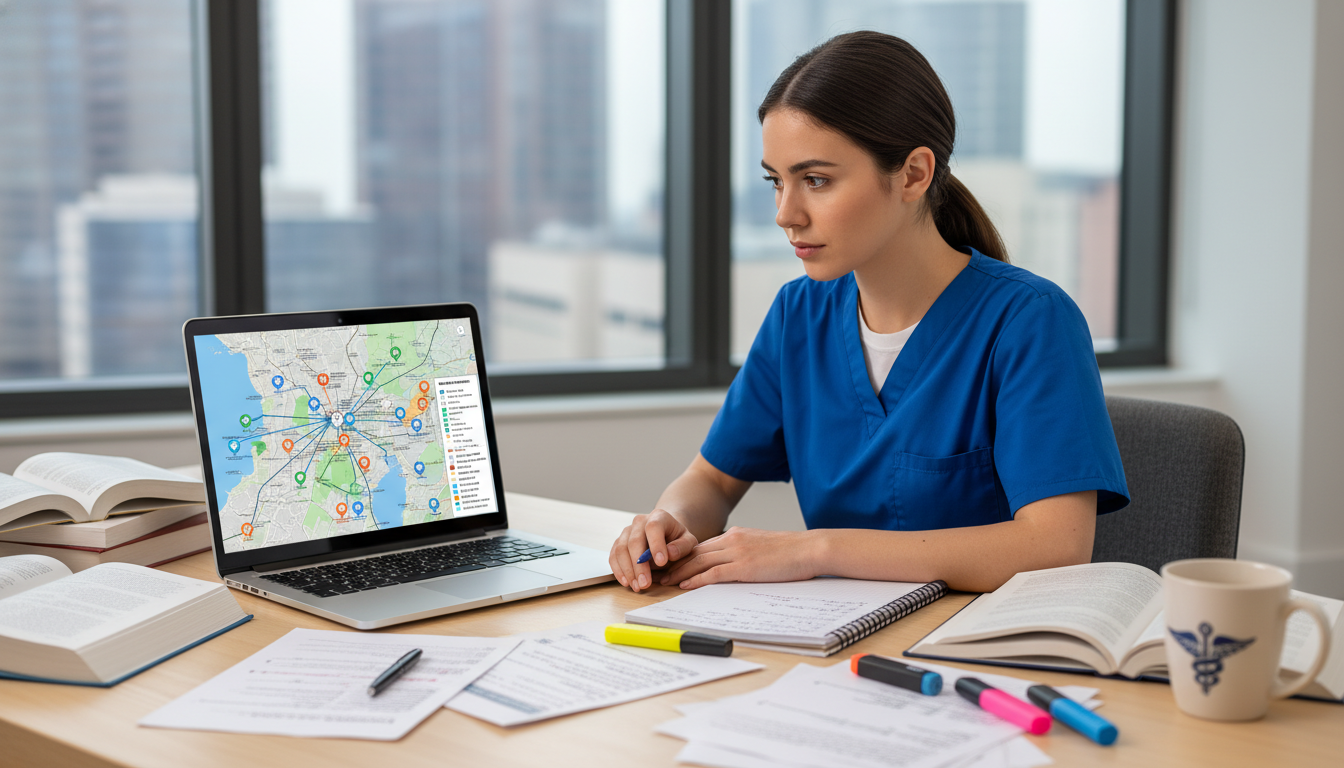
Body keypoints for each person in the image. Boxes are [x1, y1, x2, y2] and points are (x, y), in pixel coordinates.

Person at [609, 31, 1128, 595]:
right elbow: (711, 479)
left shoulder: (1030, 321)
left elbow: (1055, 547)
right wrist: (668, 527)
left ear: (913, 174)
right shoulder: (798, 314)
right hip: (834, 645)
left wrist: (816, 549)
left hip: (974, 652)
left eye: (816, 180)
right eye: (775, 182)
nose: (786, 214)